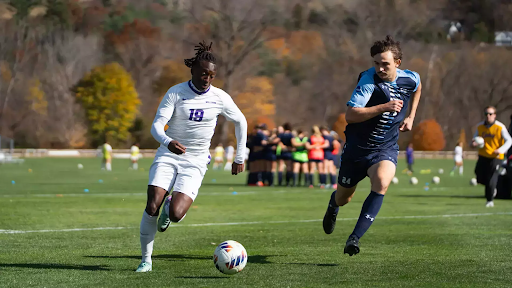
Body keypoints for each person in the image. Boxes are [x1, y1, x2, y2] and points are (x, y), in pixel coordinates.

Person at [136, 41, 247, 272]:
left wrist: (239, 157)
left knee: (176, 214)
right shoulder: (175, 93)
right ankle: (146, 260)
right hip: (168, 154)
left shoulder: (220, 97)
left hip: (195, 160)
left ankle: (170, 208)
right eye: (203, 73)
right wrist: (167, 141)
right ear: (193, 71)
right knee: (152, 205)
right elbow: (157, 126)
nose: (207, 78)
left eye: (211, 75)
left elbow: (241, 121)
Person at [322, 35, 422, 256]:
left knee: (382, 183)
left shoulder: (410, 78)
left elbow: (418, 87)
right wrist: (384, 107)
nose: (379, 68)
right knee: (344, 197)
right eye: (376, 63)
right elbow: (350, 115)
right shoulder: (367, 81)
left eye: (384, 64)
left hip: (385, 148)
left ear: (397, 63)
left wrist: (411, 116)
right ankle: (333, 205)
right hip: (357, 150)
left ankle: (354, 238)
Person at [472, 106, 512, 207]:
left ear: (494, 115)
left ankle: (490, 200)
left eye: (490, 114)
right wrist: (473, 143)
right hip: (483, 156)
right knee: (479, 176)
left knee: (492, 178)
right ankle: (491, 187)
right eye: (486, 114)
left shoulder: (500, 127)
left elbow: (509, 140)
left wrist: (501, 150)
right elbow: (474, 139)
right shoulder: (480, 126)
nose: (488, 116)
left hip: (496, 157)